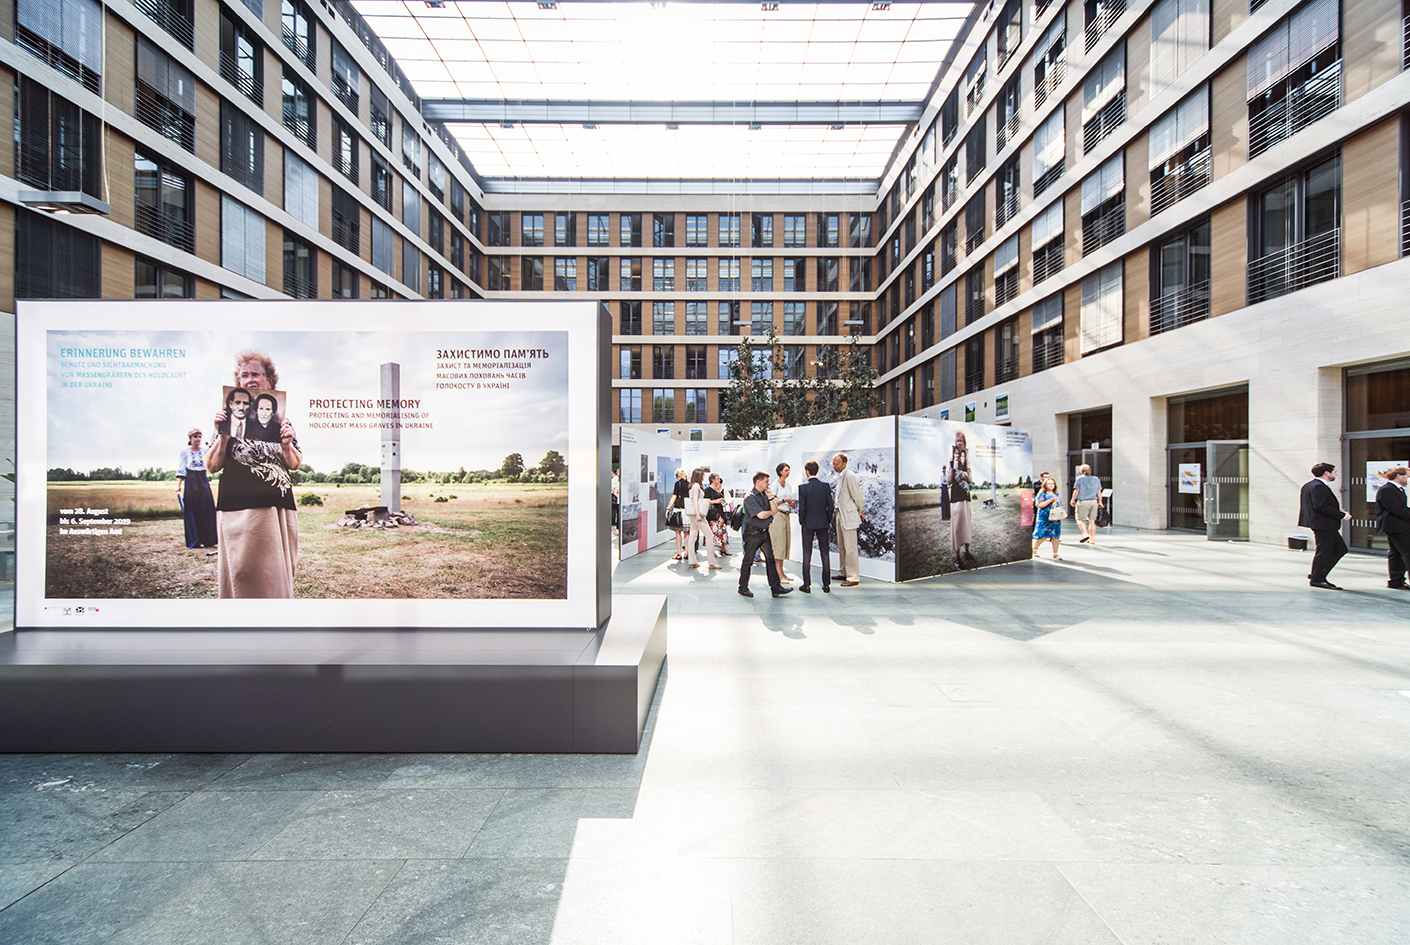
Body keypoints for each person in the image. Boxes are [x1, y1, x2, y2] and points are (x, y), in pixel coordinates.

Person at [206, 351, 302, 599]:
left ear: (269, 381)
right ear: (238, 383)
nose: (250, 379)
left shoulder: (282, 421)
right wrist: (223, 435)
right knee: (242, 572)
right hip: (238, 506)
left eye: (256, 374)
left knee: (276, 574)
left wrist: (286, 444)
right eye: (244, 375)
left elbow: (295, 463)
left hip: (276, 505)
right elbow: (212, 466)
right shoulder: (225, 419)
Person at [738, 470, 791, 598]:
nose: (768, 484)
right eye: (766, 482)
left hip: (764, 533)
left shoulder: (764, 495)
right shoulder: (750, 497)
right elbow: (761, 515)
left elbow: (775, 510)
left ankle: (775, 587)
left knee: (771, 560)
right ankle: (743, 587)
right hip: (752, 534)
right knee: (748, 560)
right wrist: (769, 512)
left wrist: (771, 497)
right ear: (758, 482)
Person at [1298, 462, 1351, 590]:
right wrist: (1341, 515)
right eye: (1334, 471)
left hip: (1321, 523)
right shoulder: (1318, 486)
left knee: (1339, 549)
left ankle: (1316, 574)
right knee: (1325, 551)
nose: (1336, 474)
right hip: (1324, 524)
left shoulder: (1309, 485)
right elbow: (1320, 506)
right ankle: (1318, 579)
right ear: (1327, 473)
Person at [796, 460, 834, 594]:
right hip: (822, 523)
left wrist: (802, 521)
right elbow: (830, 506)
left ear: (807, 472)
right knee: (825, 554)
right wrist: (827, 520)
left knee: (807, 554)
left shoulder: (803, 487)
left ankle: (806, 584)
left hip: (808, 524)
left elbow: (802, 508)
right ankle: (826, 585)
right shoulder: (825, 486)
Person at [175, 427, 217, 549]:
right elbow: (181, 469)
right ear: (190, 438)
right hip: (191, 480)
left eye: (199, 437)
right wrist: (178, 485)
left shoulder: (205, 451)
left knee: (206, 509)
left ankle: (208, 539)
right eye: (195, 437)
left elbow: (211, 463)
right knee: (192, 510)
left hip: (203, 479)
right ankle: (195, 540)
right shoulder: (185, 452)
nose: (198, 439)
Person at [1374, 466, 1410, 590]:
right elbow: (1396, 509)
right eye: (1408, 475)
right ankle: (1397, 579)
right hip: (1396, 526)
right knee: (1407, 552)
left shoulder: (1398, 489)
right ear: (1399, 476)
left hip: (1399, 526)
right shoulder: (1388, 490)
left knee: (1396, 553)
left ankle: (1396, 580)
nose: (1409, 478)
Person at [832, 452, 864, 586]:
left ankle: (853, 577)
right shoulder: (840, 476)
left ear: (844, 464)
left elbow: (858, 497)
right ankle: (844, 572)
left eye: (836, 464)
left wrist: (859, 511)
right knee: (842, 545)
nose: (834, 466)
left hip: (848, 515)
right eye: (833, 464)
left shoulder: (850, 476)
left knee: (850, 547)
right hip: (840, 514)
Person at [686, 467, 721, 570]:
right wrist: (698, 514)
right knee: (709, 536)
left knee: (692, 537)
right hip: (698, 514)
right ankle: (712, 562)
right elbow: (696, 501)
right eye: (703, 475)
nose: (704, 477)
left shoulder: (692, 486)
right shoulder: (696, 486)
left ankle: (692, 560)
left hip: (692, 514)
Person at [769, 462, 797, 584]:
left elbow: (786, 499)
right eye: (786, 470)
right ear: (780, 471)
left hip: (786, 515)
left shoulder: (788, 485)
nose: (788, 472)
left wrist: (790, 503)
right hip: (778, 515)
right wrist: (785, 500)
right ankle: (778, 574)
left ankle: (781, 572)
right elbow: (772, 501)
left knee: (784, 544)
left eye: (789, 470)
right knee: (778, 544)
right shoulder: (775, 485)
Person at [950, 432, 973, 568]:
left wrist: (967, 471)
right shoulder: (952, 461)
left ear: (964, 444)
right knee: (958, 527)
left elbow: (970, 480)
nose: (959, 443)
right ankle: (958, 557)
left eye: (961, 441)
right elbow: (948, 482)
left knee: (967, 525)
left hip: (966, 497)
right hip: (956, 497)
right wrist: (951, 470)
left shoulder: (967, 462)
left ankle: (967, 551)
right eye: (957, 441)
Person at [1071, 463, 1104, 544]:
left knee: (1079, 519)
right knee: (1092, 521)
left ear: (1081, 471)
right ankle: (1092, 539)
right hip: (1093, 501)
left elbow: (1077, 490)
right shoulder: (1096, 479)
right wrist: (1100, 501)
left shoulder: (1080, 479)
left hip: (1083, 501)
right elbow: (1099, 491)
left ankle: (1085, 534)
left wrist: (1073, 499)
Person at [1032, 474, 1063, 560]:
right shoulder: (1042, 493)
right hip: (1044, 517)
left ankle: (1055, 553)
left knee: (1056, 535)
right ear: (1045, 485)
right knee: (1043, 535)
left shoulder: (1056, 493)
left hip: (1055, 517)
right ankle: (1034, 550)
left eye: (1052, 483)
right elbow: (1038, 504)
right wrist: (1050, 500)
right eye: (1049, 484)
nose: (1051, 485)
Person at [704, 472, 730, 556]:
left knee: (722, 532)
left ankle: (723, 549)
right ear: (713, 480)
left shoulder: (718, 489)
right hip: (713, 515)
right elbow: (705, 501)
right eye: (717, 478)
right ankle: (711, 551)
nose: (719, 480)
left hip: (720, 514)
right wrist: (716, 501)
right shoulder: (708, 490)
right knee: (713, 533)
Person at [668, 468, 690, 560]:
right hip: (687, 510)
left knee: (678, 532)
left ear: (678, 476)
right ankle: (687, 552)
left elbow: (674, 496)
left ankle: (679, 553)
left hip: (678, 509)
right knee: (687, 533)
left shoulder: (678, 484)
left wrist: (668, 508)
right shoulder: (689, 484)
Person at [611, 469, 620, 536]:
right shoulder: (618, 481)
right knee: (618, 514)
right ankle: (617, 529)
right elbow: (615, 491)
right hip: (618, 500)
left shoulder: (617, 480)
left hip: (619, 500)